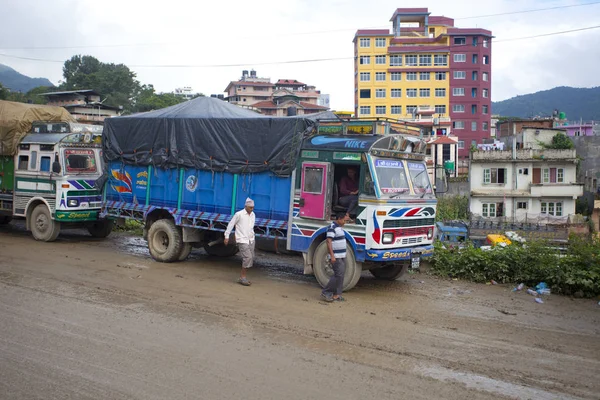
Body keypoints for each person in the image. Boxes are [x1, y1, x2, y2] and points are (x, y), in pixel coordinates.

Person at [224, 197, 256, 286]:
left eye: (253, 208)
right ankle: (242, 277)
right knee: (248, 257)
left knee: (251, 257)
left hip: (251, 239)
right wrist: (227, 236)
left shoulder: (253, 215)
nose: (252, 209)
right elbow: (231, 224)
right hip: (242, 239)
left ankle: (243, 276)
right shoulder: (239, 214)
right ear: (246, 206)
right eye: (250, 207)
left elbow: (250, 227)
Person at [320, 212, 348, 302]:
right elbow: (328, 242)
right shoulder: (332, 228)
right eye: (344, 220)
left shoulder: (339, 228)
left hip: (341, 256)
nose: (345, 222)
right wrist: (332, 256)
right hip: (336, 256)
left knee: (341, 275)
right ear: (339, 219)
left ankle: (337, 295)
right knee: (338, 275)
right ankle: (326, 292)